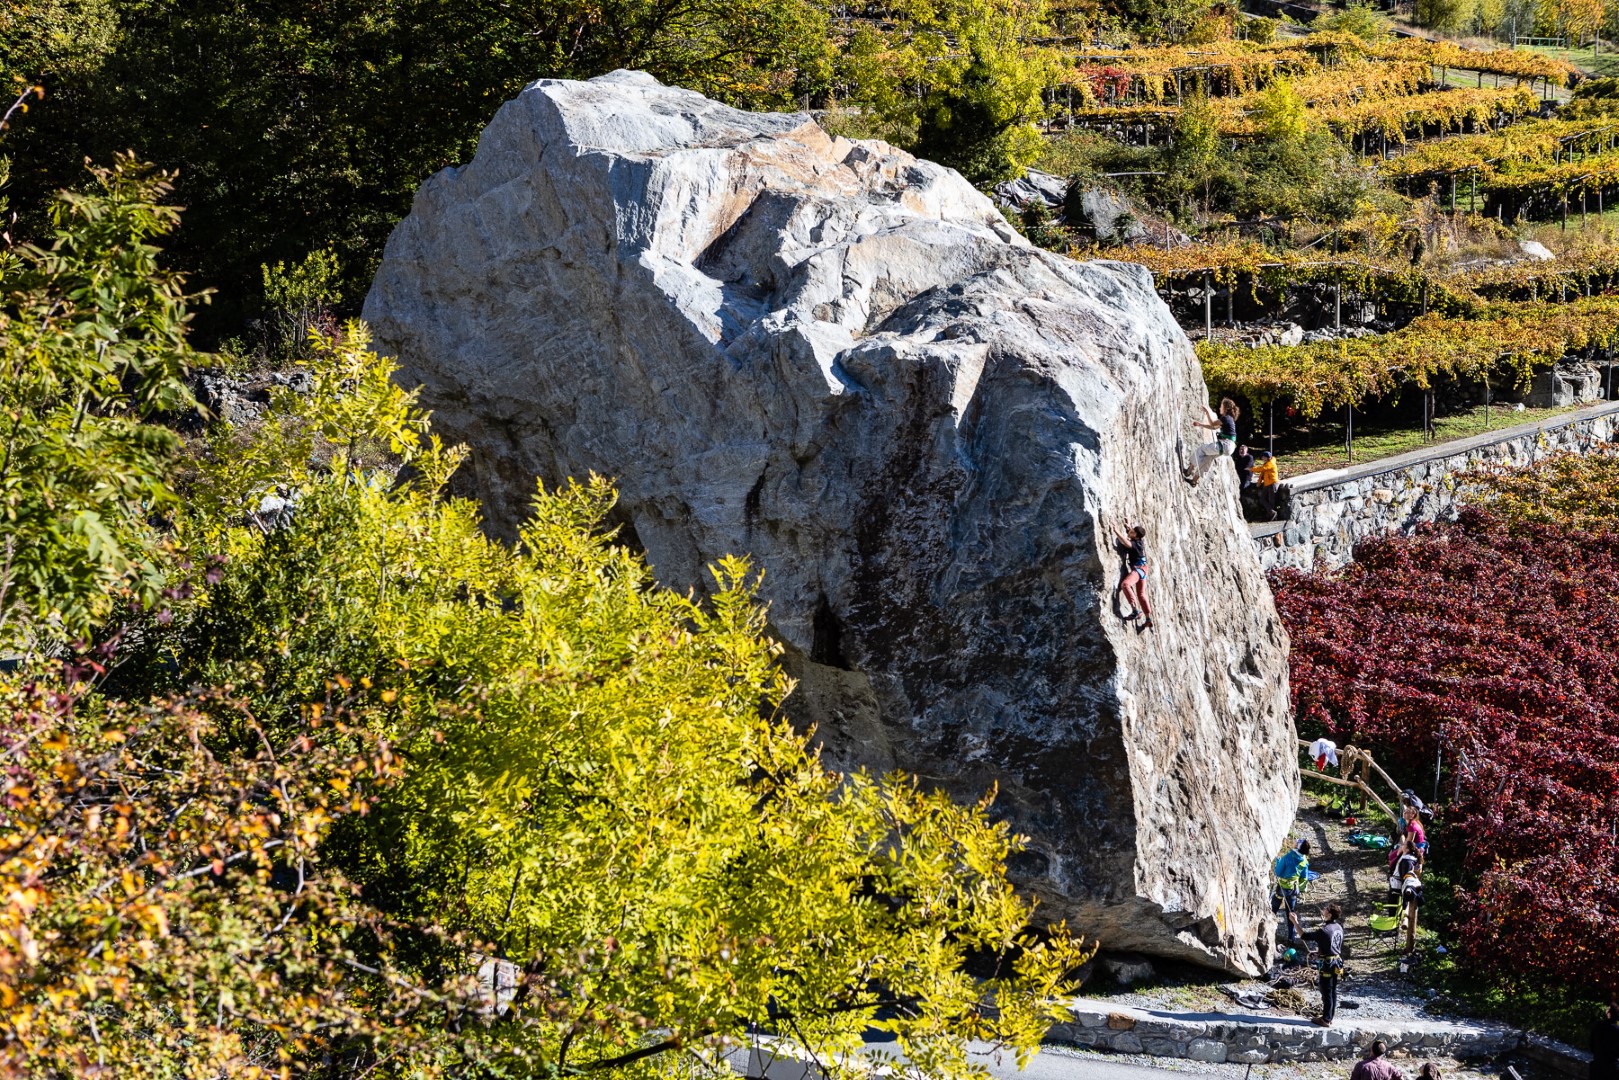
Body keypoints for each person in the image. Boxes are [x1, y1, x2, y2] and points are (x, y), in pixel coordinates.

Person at [1304, 903, 1344, 1027]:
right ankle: (1329, 1017)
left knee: (1326, 991)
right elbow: (1332, 945)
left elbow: (1304, 936)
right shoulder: (1338, 927)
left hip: (1328, 965)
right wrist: (1319, 953)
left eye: (1325, 909)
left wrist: (1294, 922)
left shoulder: (1324, 930)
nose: (1323, 910)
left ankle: (1326, 1020)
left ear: (1329, 914)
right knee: (1332, 991)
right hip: (1336, 962)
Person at [1184, 398, 1240, 484]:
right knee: (1207, 458)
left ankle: (1189, 470)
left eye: (1221, 406)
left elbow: (1212, 423)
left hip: (1225, 444)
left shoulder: (1226, 418)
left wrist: (1207, 412)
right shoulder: (1229, 419)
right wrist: (1200, 424)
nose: (1219, 408)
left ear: (1225, 408)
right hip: (1229, 447)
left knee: (1202, 449)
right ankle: (1194, 481)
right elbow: (1213, 427)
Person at [1111, 521, 1154, 632]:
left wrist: (1116, 530)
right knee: (1141, 594)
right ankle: (1148, 618)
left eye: (1132, 531)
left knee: (1125, 585)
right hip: (1143, 569)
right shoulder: (1139, 541)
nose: (1130, 531)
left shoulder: (1134, 544)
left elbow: (1126, 542)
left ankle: (1135, 611)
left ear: (1136, 535)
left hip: (1139, 569)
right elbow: (1132, 535)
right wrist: (1127, 526)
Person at [1273, 839, 1311, 943]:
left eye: (1297, 841)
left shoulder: (1288, 857)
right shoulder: (1304, 861)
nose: (1295, 840)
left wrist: (1278, 862)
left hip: (1282, 887)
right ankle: (1291, 938)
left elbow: (1278, 872)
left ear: (1297, 846)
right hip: (1294, 889)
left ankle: (1267, 929)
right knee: (1291, 914)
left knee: (1273, 909)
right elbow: (1304, 878)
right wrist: (1301, 888)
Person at [1591, 1002, 1619, 1080]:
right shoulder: (1617, 1030)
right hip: (1611, 1069)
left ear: (1607, 1013)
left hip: (1597, 1066)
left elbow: (1591, 1046)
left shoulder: (1597, 1026)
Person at [1252, 450, 1280, 519]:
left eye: (1263, 457)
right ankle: (1272, 513)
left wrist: (1251, 469)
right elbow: (1262, 474)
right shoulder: (1266, 463)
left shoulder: (1270, 463)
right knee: (1263, 499)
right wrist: (1259, 482)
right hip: (1267, 483)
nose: (1262, 459)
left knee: (1271, 501)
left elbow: (1262, 469)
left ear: (1267, 458)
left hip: (1272, 483)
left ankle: (1272, 515)